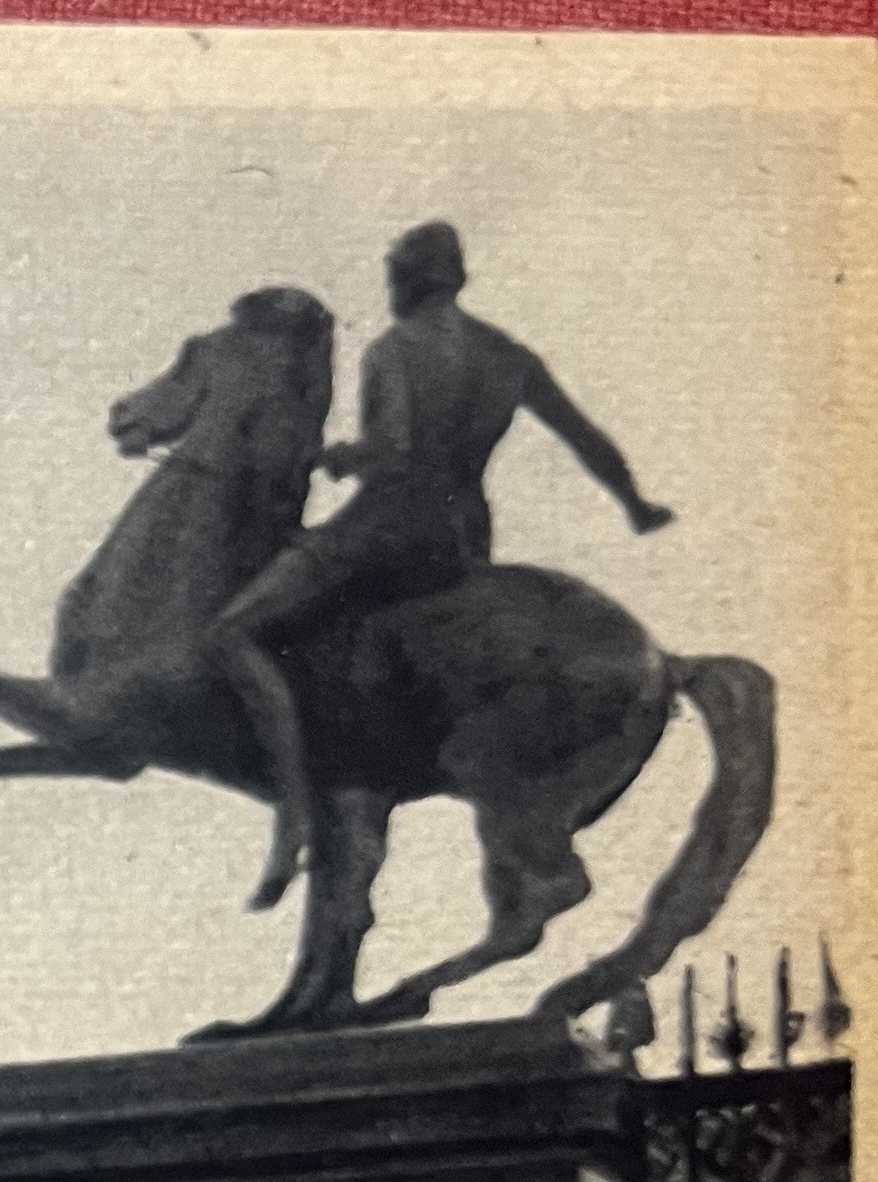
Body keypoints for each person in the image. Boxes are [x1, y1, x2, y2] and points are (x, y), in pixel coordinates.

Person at [207, 218, 676, 912]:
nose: (390, 284)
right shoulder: (506, 355)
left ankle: (294, 813)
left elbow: (393, 452)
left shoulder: (396, 349)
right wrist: (635, 503)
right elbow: (583, 435)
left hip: (384, 529)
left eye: (394, 270)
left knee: (232, 633)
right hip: (460, 539)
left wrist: (338, 456)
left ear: (411, 278)